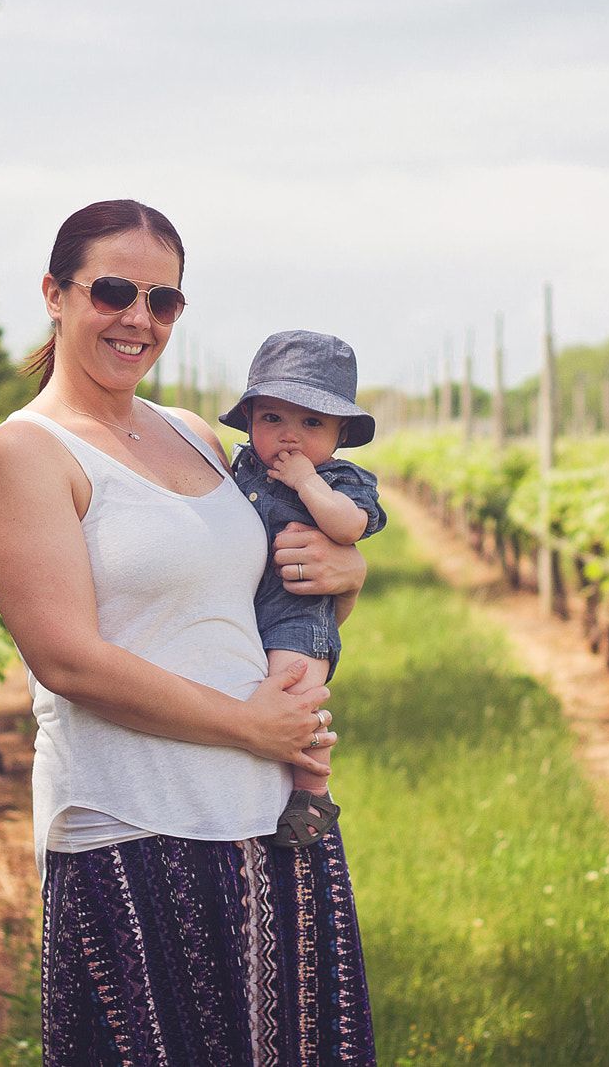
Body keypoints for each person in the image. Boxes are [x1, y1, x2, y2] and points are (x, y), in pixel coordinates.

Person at [0, 199, 378, 1065]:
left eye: (163, 301)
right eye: (114, 290)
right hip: (134, 818)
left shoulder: (194, 435)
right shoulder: (29, 453)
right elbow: (67, 658)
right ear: (55, 292)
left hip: (265, 811)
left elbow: (266, 590)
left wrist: (349, 575)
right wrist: (247, 723)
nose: (138, 318)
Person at [218, 331, 385, 851]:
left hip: (296, 611)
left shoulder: (340, 480)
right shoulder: (238, 469)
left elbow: (348, 528)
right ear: (249, 422)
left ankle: (313, 792)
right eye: (272, 418)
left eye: (311, 423)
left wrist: (307, 482)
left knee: (296, 696)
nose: (289, 436)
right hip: (240, 605)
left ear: (339, 434)